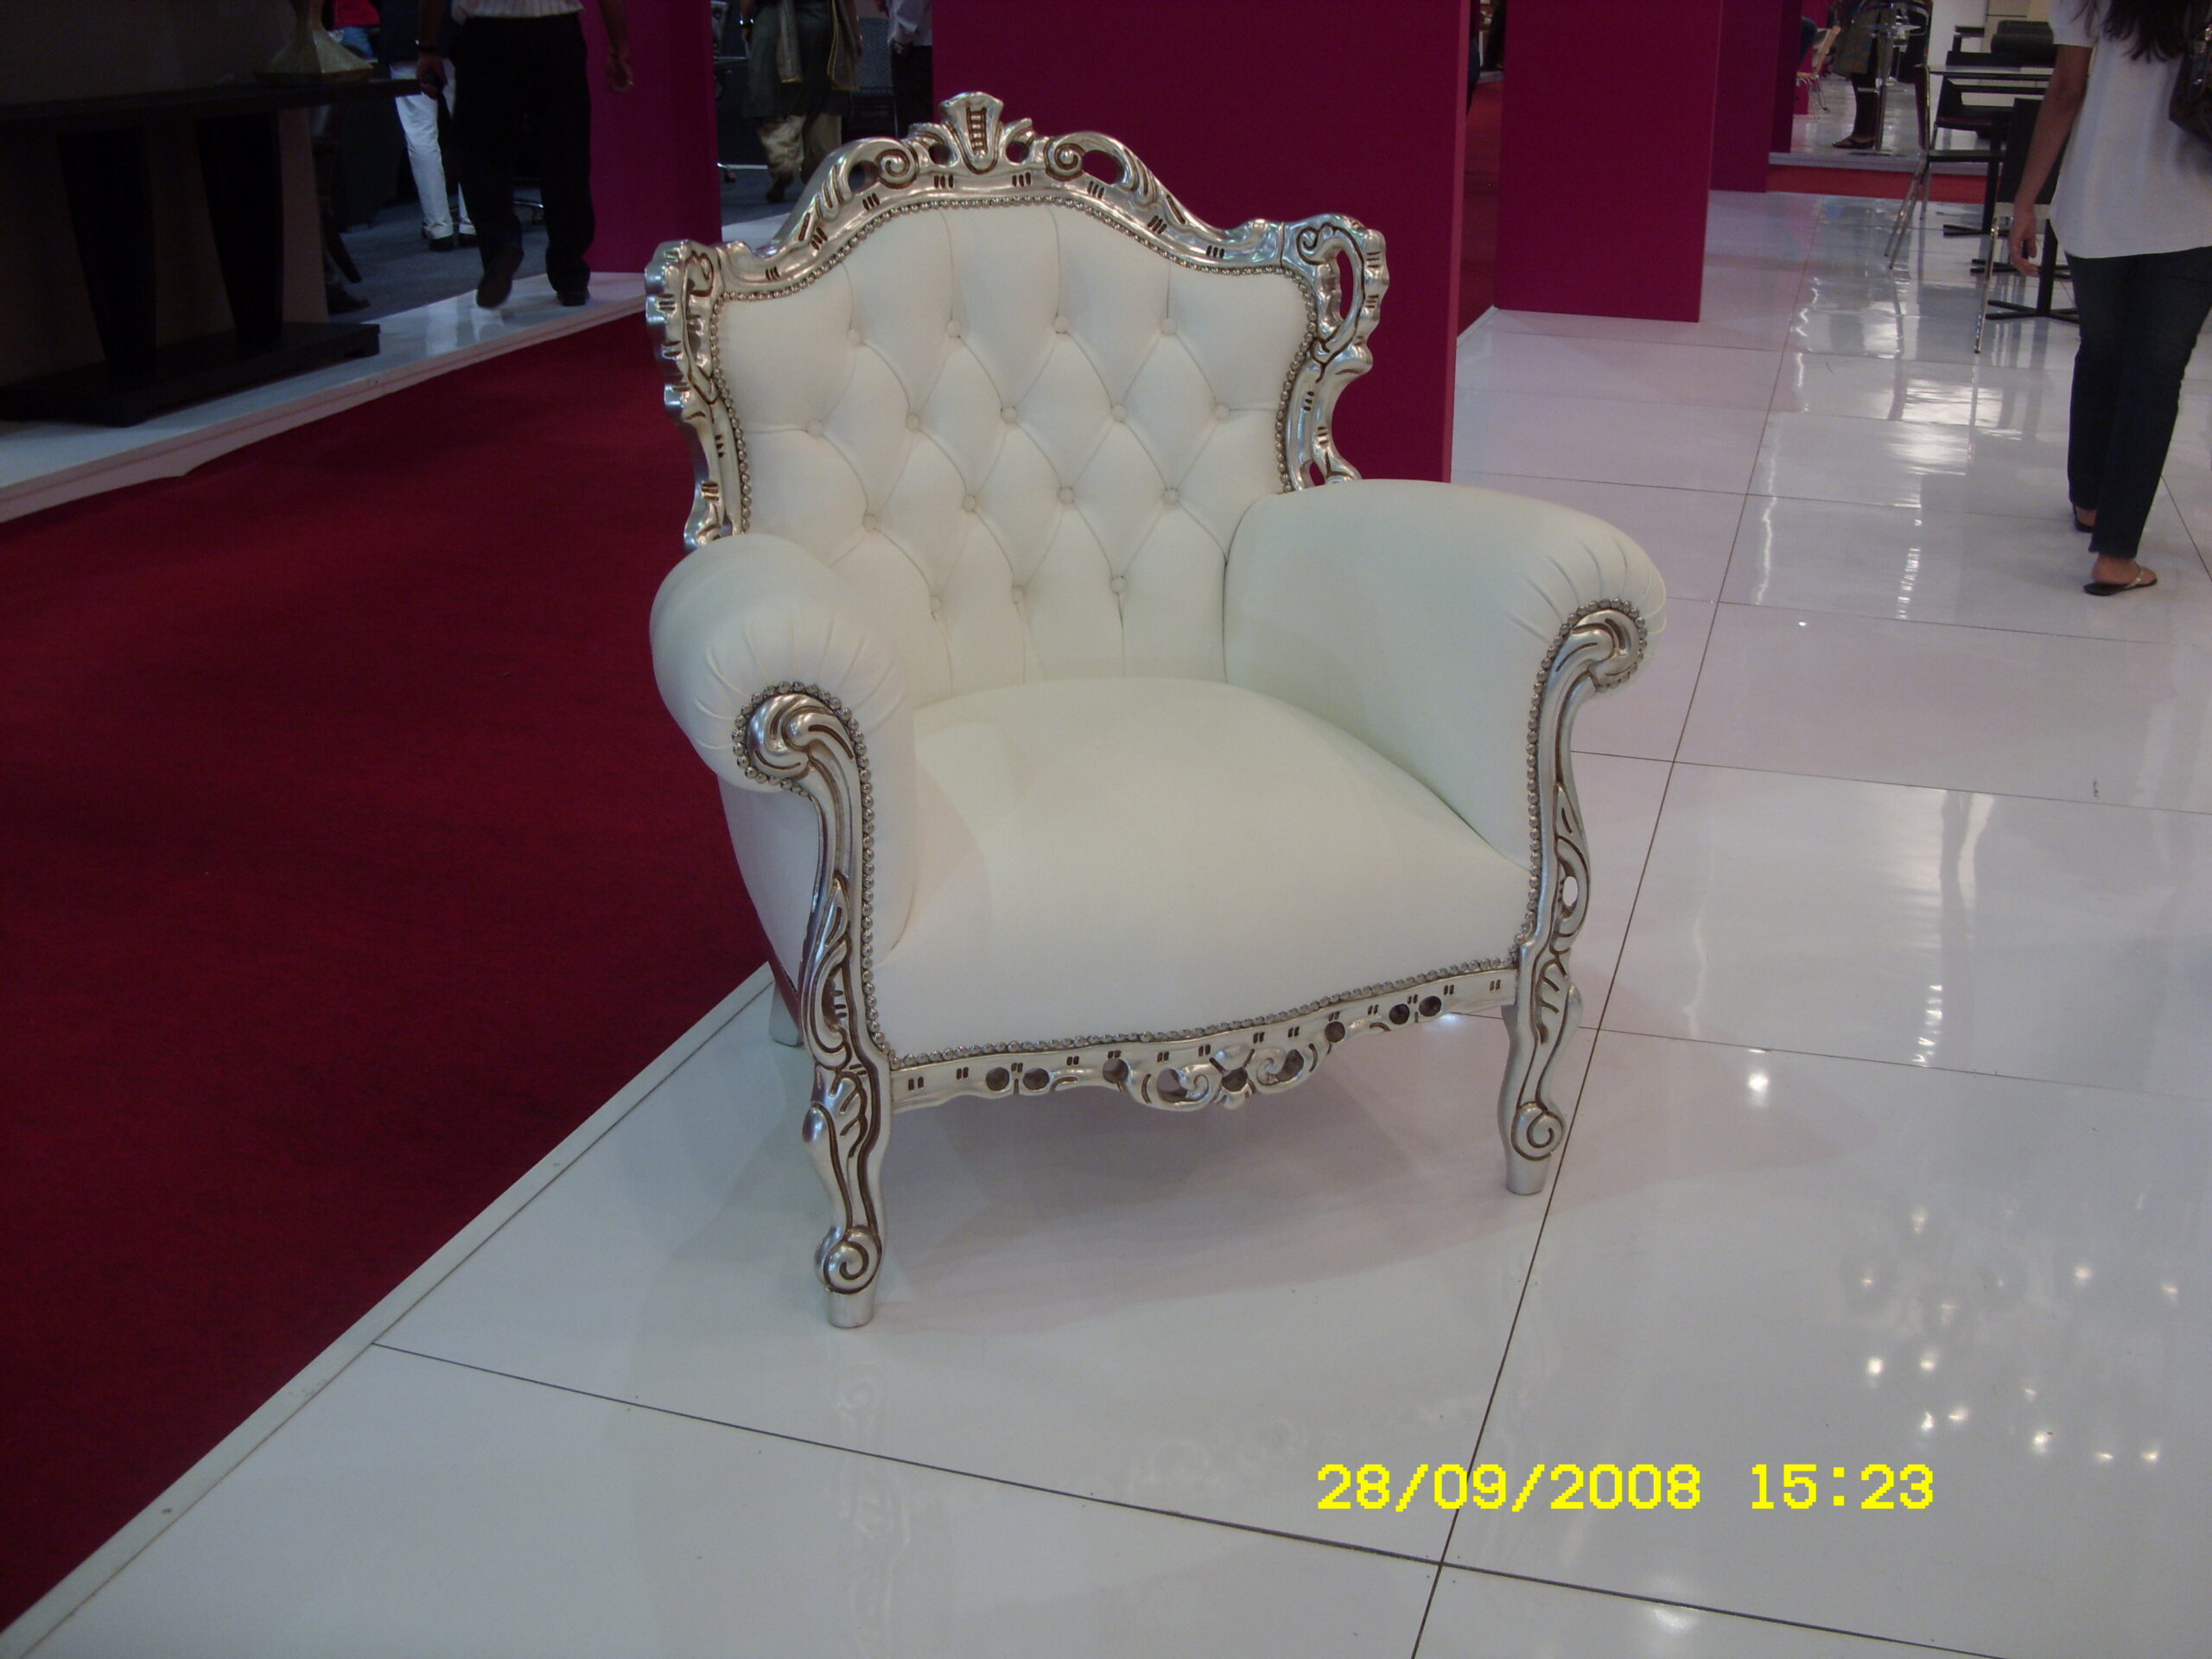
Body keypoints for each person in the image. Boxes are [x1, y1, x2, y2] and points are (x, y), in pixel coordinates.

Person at [2010, 0, 2212, 596]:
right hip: (2195, 204)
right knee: (2155, 375)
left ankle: (2091, 500)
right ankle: (2116, 555)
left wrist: (2026, 197)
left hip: (2097, 198)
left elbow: (2066, 91)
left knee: (2102, 349)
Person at [415, 0, 633, 309]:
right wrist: (618, 49)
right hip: (558, 34)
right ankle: (570, 273)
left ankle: (501, 244)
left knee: (481, 155)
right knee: (566, 157)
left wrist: (427, 46)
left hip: (486, 37)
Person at [738, 0, 861, 203]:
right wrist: (855, 35)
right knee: (823, 107)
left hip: (775, 26)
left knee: (776, 96)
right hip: (824, 29)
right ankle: (822, 171)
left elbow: (748, 3)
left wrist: (746, 22)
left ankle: (784, 162)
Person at [380, 0, 476, 250]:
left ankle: (438, 228)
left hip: (402, 29)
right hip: (455, 28)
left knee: (420, 133)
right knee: (469, 128)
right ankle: (472, 222)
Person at [887, 0, 932, 136]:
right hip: (924, 45)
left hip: (915, 48)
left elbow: (911, 4)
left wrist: (901, 36)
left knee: (914, 128)